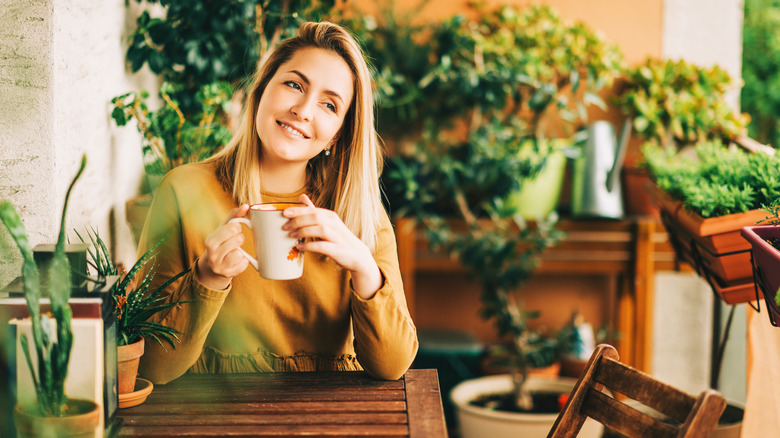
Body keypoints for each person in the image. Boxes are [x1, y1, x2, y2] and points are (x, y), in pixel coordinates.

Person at [136, 21, 418, 384]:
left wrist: (364, 266)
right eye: (294, 84)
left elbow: (393, 366)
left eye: (329, 105)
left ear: (340, 132)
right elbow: (153, 369)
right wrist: (207, 277)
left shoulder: (359, 212)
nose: (303, 110)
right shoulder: (184, 191)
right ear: (262, 90)